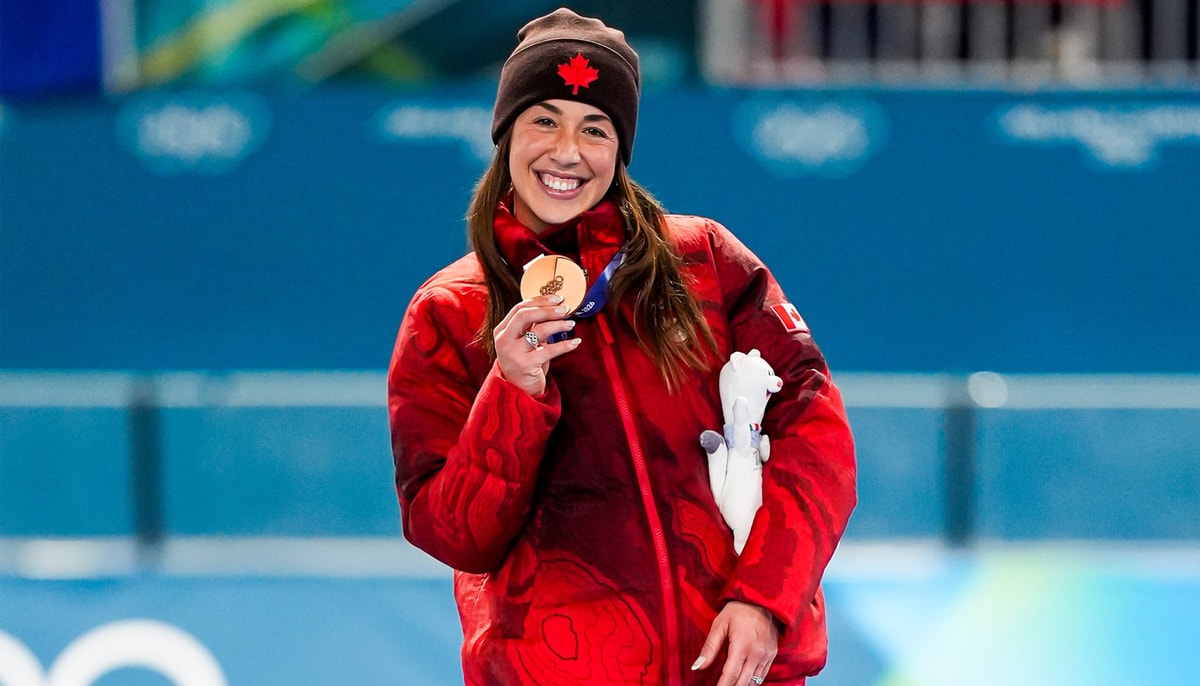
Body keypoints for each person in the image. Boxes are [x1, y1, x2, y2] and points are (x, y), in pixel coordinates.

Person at [388, 8, 856, 686]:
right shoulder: (447, 312)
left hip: (732, 667)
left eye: (594, 128)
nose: (567, 151)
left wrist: (764, 597)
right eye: (543, 119)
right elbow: (455, 536)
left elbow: (817, 435)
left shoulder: (707, 262)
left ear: (621, 147)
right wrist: (512, 395)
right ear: (505, 133)